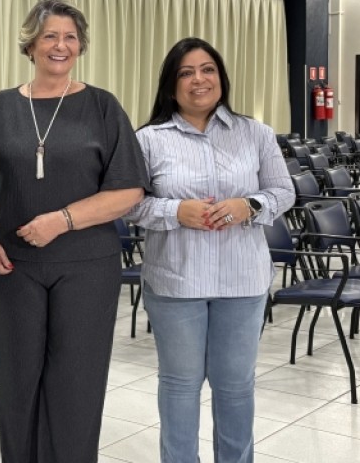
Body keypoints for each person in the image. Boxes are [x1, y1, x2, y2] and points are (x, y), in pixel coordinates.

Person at [0, 0, 148, 463]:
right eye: (50, 35)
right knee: (17, 383)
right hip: (12, 268)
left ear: (81, 46)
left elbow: (129, 189)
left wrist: (62, 221)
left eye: (71, 37)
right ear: (30, 44)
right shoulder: (3, 106)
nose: (61, 45)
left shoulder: (102, 106)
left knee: (76, 385)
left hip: (87, 267)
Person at [125, 37, 294, 463]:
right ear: (171, 85)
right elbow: (130, 205)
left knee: (235, 388)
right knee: (180, 387)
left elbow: (283, 192)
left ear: (220, 77)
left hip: (243, 280)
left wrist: (249, 205)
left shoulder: (255, 133)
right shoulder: (148, 140)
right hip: (176, 282)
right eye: (186, 73)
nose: (198, 80)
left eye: (207, 70)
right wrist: (175, 211)